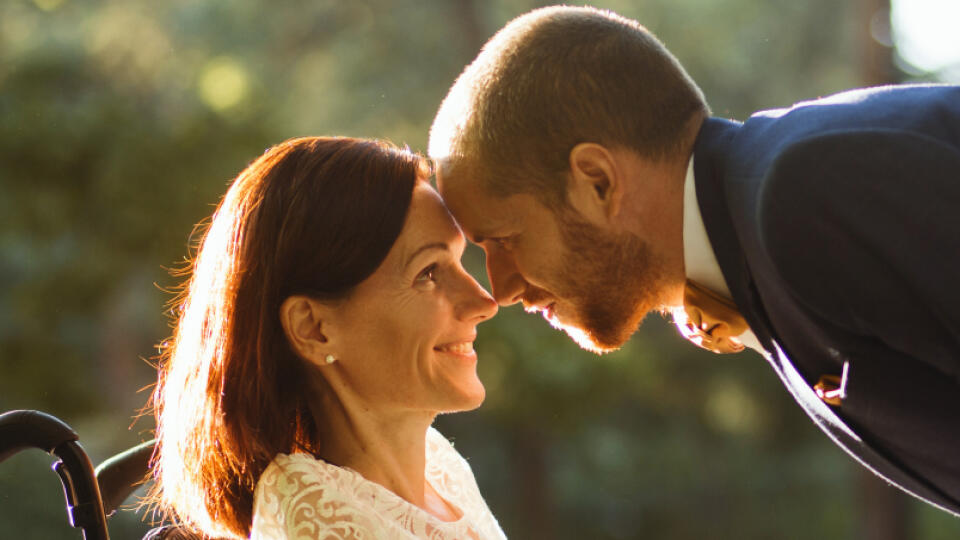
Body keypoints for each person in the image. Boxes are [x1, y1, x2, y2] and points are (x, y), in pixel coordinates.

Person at [428, 5, 960, 516]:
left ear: (598, 182)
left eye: (503, 239)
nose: (500, 289)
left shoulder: (806, 189)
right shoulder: (758, 227)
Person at [148, 137, 506, 539]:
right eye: (427, 273)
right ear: (313, 329)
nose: (484, 301)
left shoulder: (441, 470)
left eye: (459, 262)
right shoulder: (317, 516)